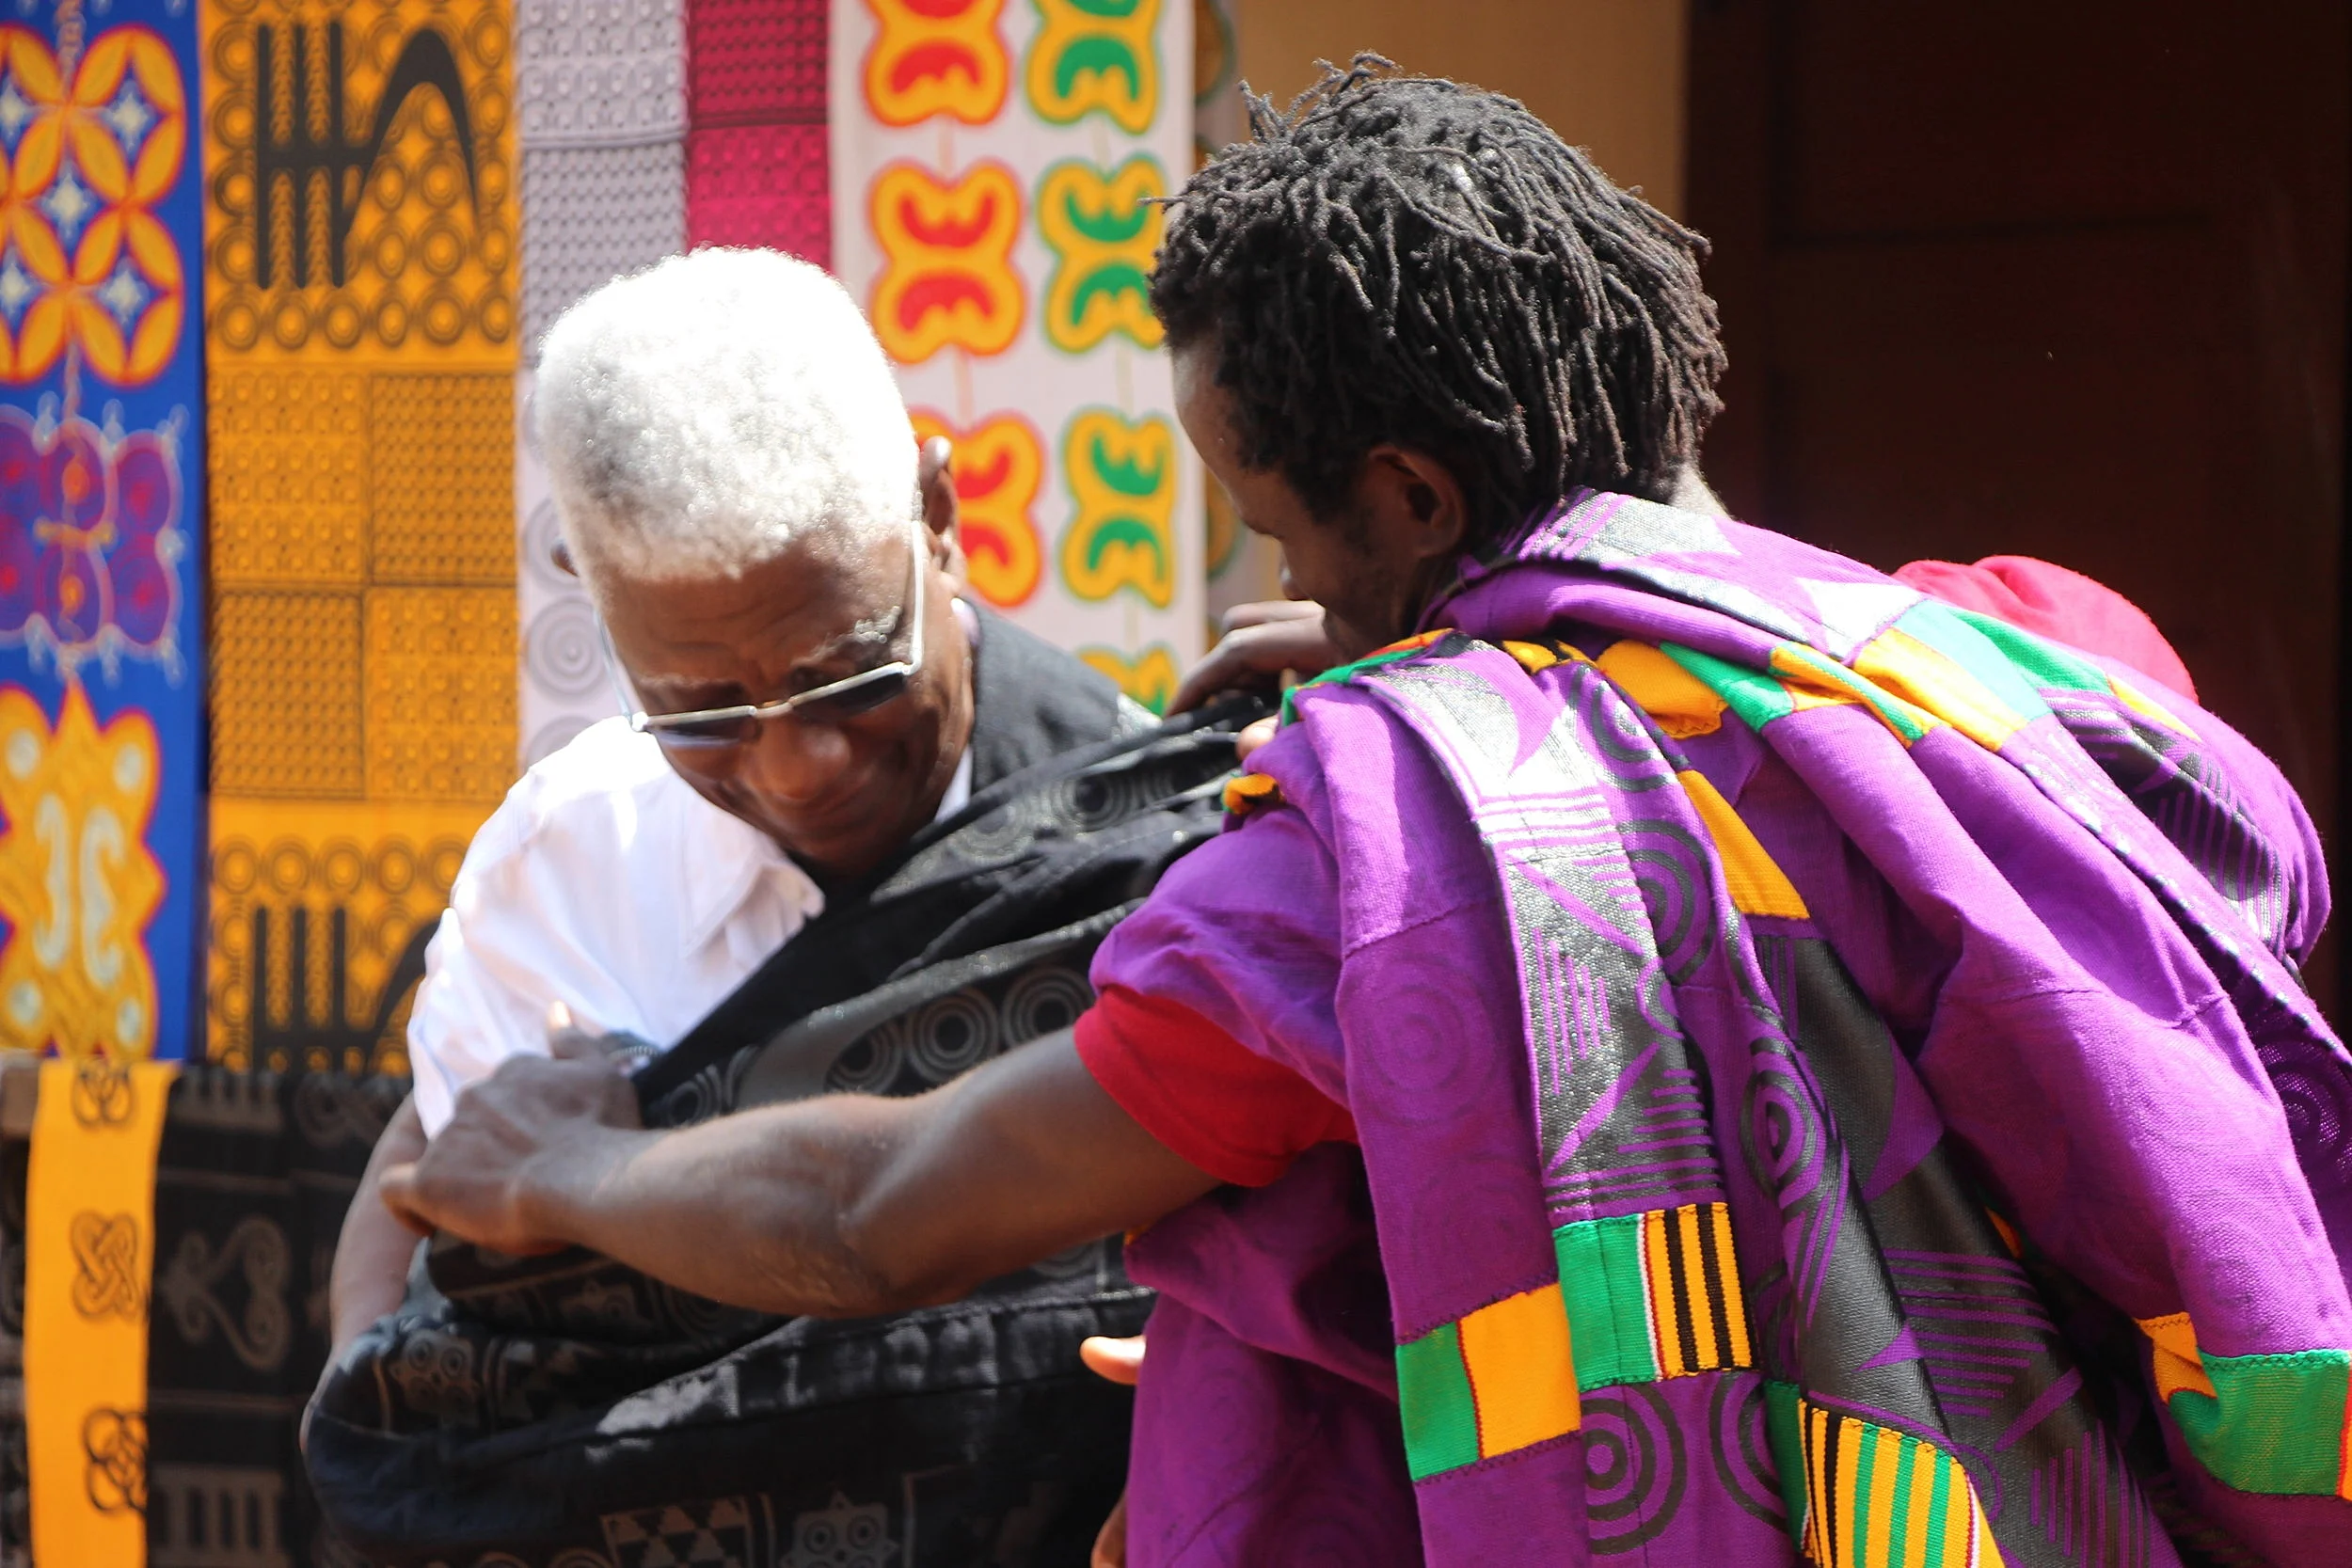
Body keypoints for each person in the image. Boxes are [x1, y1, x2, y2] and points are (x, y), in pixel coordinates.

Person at [379, 67, 2352, 1566]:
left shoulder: (1379, 863)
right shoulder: (2023, 654)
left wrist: (558, 1164)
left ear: (1407, 500)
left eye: (1276, 523)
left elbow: (878, 1214)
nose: (1290, 588)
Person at [327, 245, 1153, 1353]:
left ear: (938, 512)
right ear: (593, 589)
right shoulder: (568, 858)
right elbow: (441, 1151)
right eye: (700, 707)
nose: (794, 767)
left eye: (849, 672)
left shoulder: (1155, 835)